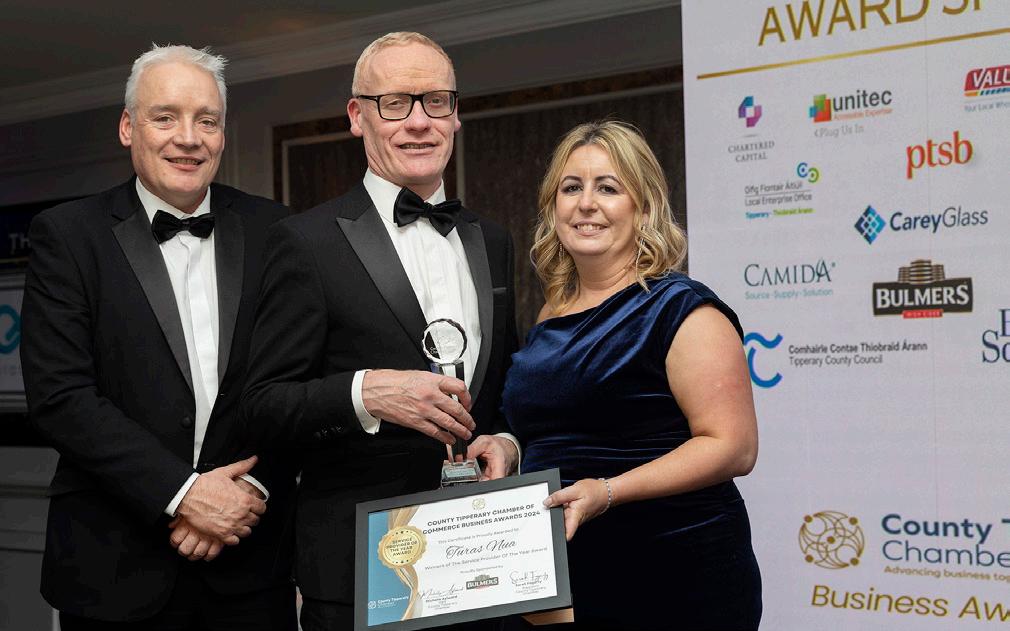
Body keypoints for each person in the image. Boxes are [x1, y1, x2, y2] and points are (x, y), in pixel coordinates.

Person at [241, 32, 519, 630]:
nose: (419, 122)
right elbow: (261, 406)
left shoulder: (491, 240)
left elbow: (504, 387)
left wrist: (506, 440)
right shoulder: (305, 241)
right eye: (394, 103)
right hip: (361, 574)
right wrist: (365, 393)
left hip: (481, 560)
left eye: (435, 101)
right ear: (356, 116)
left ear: (455, 114)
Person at [21, 45, 297, 630]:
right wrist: (182, 494)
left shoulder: (277, 230)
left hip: (250, 564)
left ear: (222, 134)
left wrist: (251, 490)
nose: (188, 138)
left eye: (207, 120)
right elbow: (60, 397)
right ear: (128, 127)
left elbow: (299, 382)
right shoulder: (68, 235)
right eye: (165, 117)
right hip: (113, 566)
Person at [502, 120, 762, 630]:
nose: (586, 204)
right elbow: (552, 432)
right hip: (567, 577)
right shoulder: (552, 313)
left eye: (608, 188)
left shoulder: (682, 310)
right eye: (571, 188)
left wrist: (608, 491)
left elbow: (734, 447)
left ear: (643, 207)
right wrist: (506, 444)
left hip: (674, 573)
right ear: (552, 207)